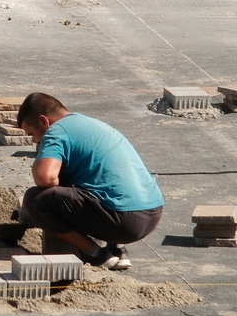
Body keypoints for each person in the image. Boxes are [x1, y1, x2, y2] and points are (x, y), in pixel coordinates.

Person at [15, 92, 163, 270]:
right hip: (153, 211)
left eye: (32, 134)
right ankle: (117, 247)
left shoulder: (57, 131)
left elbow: (45, 177)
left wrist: (34, 213)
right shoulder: (91, 124)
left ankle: (96, 254)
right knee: (83, 181)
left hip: (124, 221)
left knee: (35, 199)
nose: (34, 140)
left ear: (43, 121)